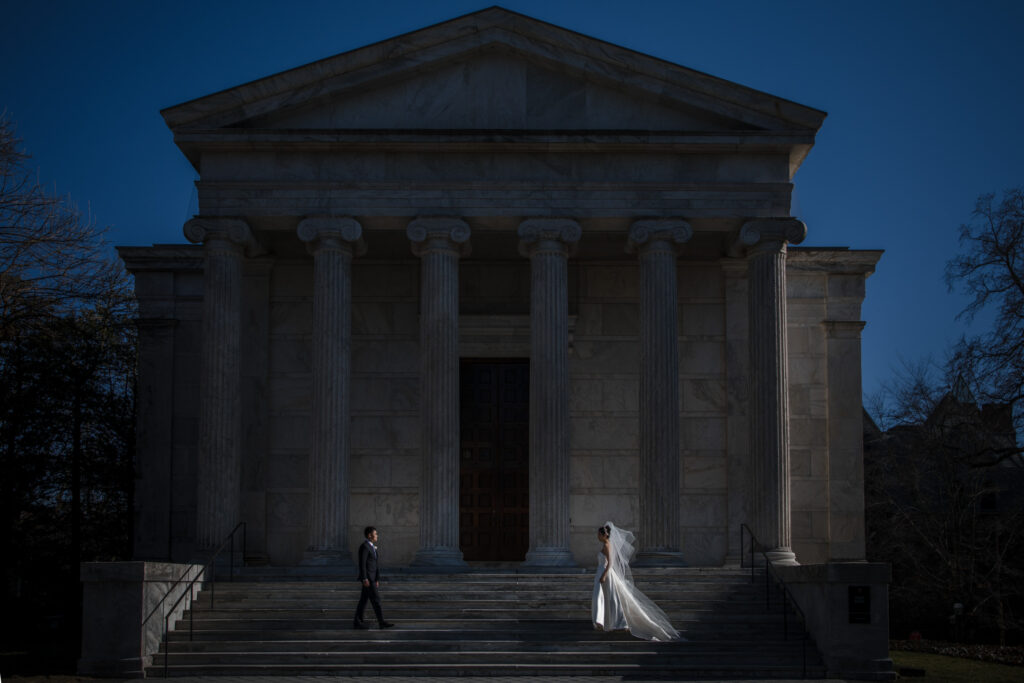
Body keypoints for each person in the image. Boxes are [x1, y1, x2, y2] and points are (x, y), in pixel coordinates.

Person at [592, 522, 682, 642]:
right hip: (601, 572)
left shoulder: (608, 546)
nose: (597, 536)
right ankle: (603, 621)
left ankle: (608, 621)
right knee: (602, 597)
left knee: (605, 597)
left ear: (604, 535)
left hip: (605, 574)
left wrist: (604, 575)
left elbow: (611, 563)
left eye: (599, 534)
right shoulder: (605, 545)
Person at [353, 526, 395, 630]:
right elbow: (362, 564)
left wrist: (377, 579)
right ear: (369, 535)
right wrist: (364, 578)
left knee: (363, 601)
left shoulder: (372, 547)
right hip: (368, 580)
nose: (377, 536)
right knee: (376, 600)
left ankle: (357, 622)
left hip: (372, 579)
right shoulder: (365, 546)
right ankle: (381, 622)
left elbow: (375, 565)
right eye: (375, 534)